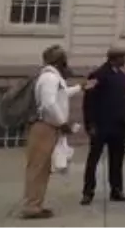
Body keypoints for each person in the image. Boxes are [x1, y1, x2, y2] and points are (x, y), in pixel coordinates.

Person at [22, 46, 95, 219]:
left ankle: (36, 204)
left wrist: (79, 88)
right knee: (38, 168)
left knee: (43, 168)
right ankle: (32, 206)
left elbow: (60, 95)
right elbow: (49, 103)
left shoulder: (51, 77)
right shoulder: (49, 78)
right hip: (45, 127)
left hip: (47, 126)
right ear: (59, 61)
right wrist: (62, 123)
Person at [81, 47, 125, 205]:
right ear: (115, 58)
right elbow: (88, 101)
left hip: (118, 125)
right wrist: (90, 124)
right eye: (123, 57)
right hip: (101, 125)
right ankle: (88, 191)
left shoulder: (123, 76)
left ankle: (116, 189)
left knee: (117, 160)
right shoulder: (97, 75)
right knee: (93, 159)